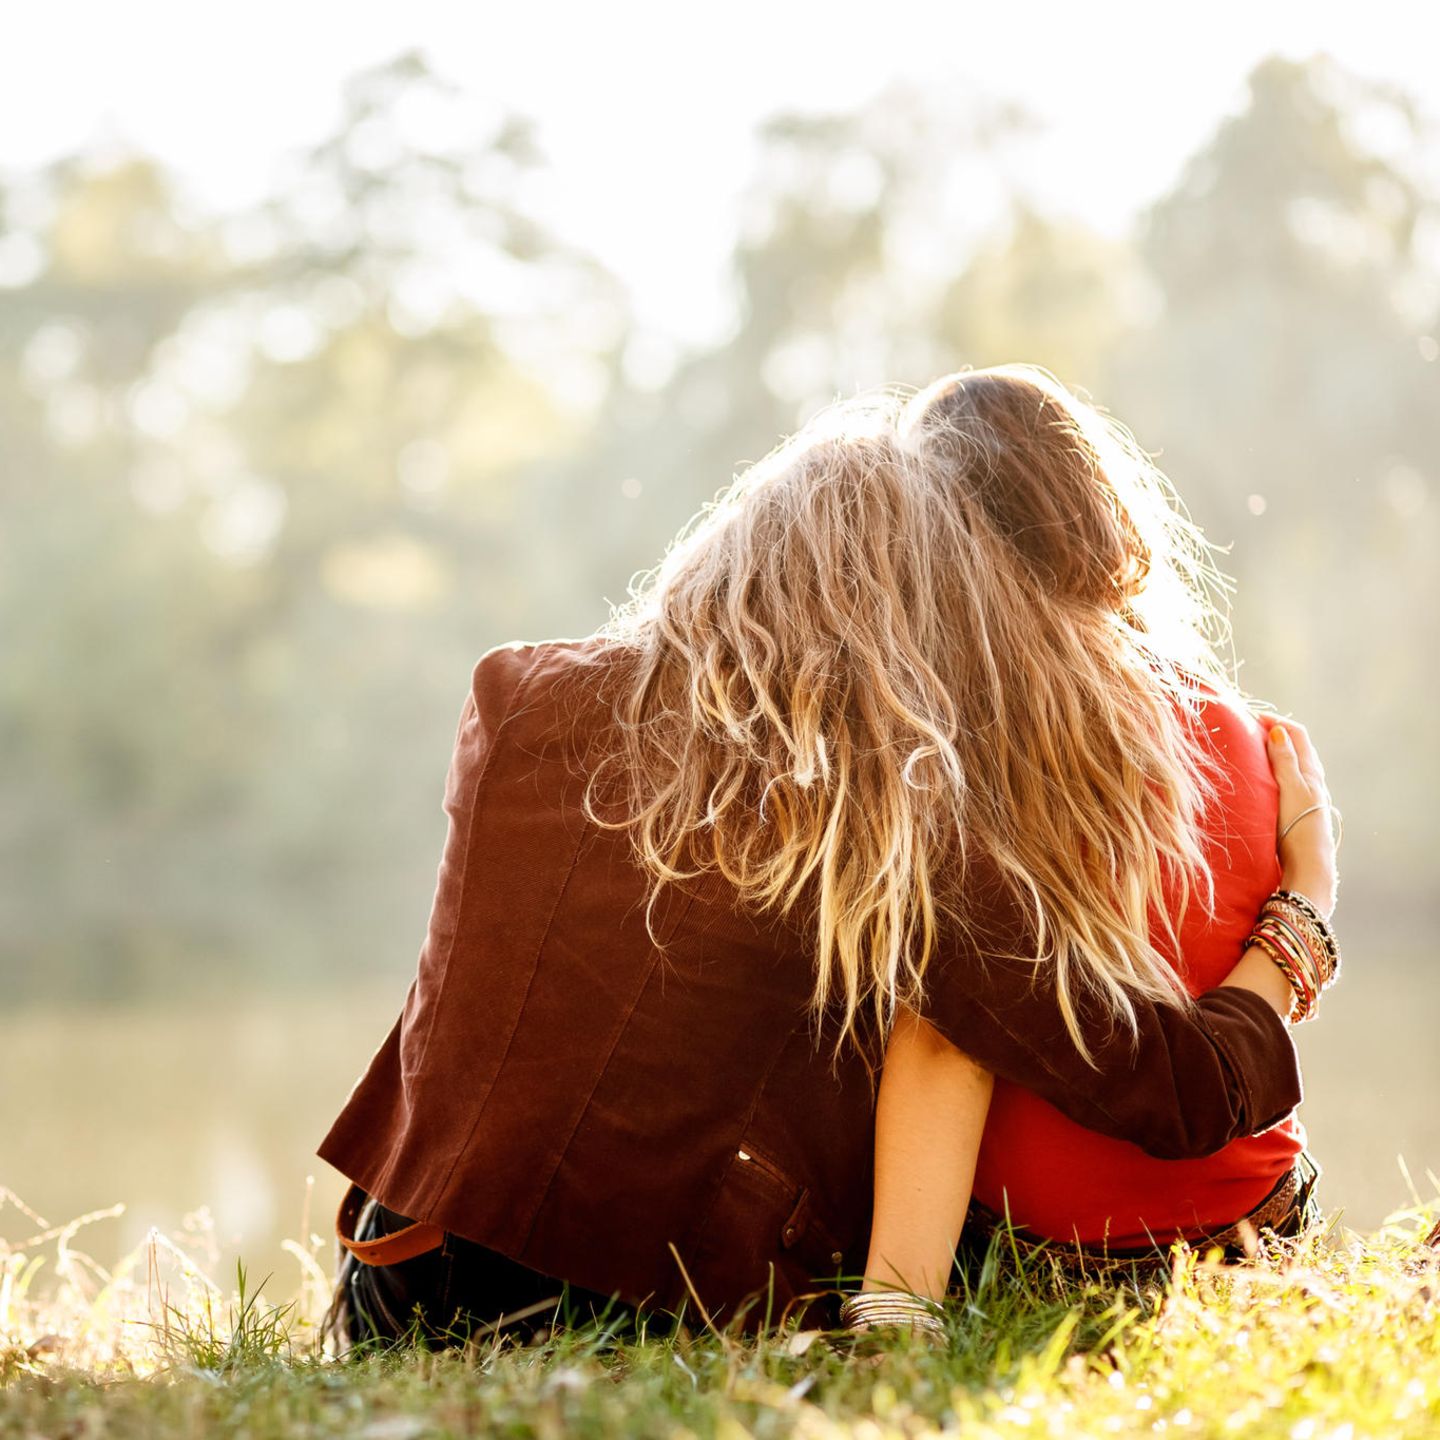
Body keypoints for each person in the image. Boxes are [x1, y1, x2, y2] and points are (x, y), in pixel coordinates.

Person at [317, 365, 1331, 1350]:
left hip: (397, 1274)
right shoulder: (880, 808)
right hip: (642, 1310)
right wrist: (1304, 911)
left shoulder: (516, 696)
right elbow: (1179, 1088)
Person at [847, 373, 1342, 1333]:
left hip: (1053, 1262)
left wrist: (898, 1312)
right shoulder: (1241, 729)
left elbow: (948, 1043)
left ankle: (898, 1307)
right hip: (1254, 1225)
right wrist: (1313, 888)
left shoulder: (964, 747)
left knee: (926, 993)